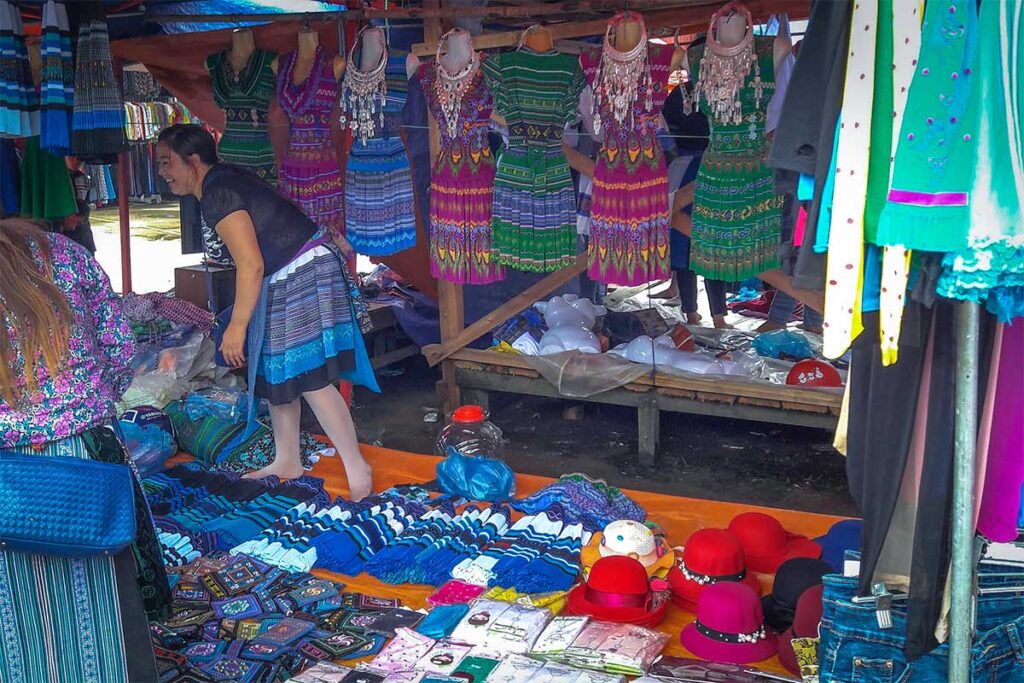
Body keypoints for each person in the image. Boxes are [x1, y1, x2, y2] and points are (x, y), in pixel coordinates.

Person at [156, 123, 378, 499]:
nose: (162, 172)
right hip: (289, 271)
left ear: (192, 161)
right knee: (276, 368)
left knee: (308, 373)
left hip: (301, 269)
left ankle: (357, 466)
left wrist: (237, 326)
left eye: (166, 162)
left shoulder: (218, 194)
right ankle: (287, 459)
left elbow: (251, 263)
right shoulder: (220, 183)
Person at [0, 218, 167, 682]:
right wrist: (88, 406)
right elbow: (118, 348)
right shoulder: (64, 254)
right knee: (103, 601)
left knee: (16, 611)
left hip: (7, 471)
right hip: (87, 455)